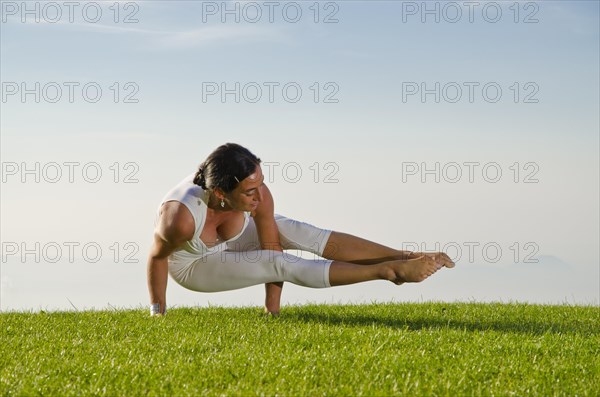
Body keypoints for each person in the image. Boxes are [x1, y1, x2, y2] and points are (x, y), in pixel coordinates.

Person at [147, 143, 455, 316]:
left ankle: (407, 257)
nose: (260, 195)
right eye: (249, 191)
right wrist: (157, 313)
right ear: (221, 194)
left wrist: (272, 310)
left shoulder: (257, 192)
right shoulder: (181, 218)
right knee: (279, 262)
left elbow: (270, 248)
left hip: (234, 236)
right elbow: (157, 258)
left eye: (260, 183)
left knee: (298, 231)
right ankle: (389, 272)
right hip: (194, 266)